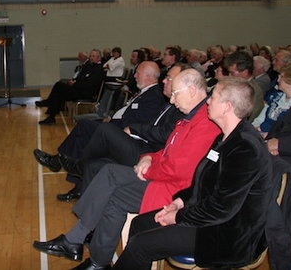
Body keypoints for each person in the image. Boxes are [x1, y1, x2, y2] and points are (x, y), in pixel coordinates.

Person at [32, 68, 221, 270]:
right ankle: (96, 260)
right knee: (114, 195)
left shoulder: (204, 123)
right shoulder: (191, 116)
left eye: (175, 94)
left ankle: (77, 242)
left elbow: (179, 169)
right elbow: (167, 150)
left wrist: (147, 168)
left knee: (111, 175)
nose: (172, 101)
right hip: (164, 178)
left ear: (192, 91)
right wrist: (147, 157)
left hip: (176, 192)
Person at [113, 77, 273, 270]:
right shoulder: (226, 137)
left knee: (141, 244)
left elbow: (222, 209)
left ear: (226, 107)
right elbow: (202, 181)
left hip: (226, 234)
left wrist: (178, 217)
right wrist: (179, 201)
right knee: (139, 224)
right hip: (207, 219)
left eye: (213, 97)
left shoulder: (245, 148)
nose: (207, 101)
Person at [33, 61, 166, 200]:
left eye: (138, 73)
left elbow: (135, 123)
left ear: (148, 76)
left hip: (124, 135)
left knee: (85, 127)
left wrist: (113, 123)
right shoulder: (145, 93)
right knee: (82, 135)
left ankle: (59, 162)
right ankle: (76, 183)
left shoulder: (154, 97)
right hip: (115, 125)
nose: (135, 75)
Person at [35, 49, 105, 125]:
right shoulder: (91, 67)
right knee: (59, 93)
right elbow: (81, 78)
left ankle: (49, 104)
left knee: (59, 85)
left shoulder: (99, 70)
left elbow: (88, 84)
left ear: (99, 58)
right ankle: (51, 117)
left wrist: (74, 84)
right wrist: (74, 81)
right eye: (91, 56)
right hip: (80, 89)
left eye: (93, 56)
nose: (91, 57)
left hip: (85, 94)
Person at [252, 62, 291, 138]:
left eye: (281, 77)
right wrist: (256, 127)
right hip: (260, 134)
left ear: (290, 81)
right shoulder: (274, 97)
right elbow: (260, 118)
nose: (278, 80)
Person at [222, 50, 265, 122]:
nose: (229, 76)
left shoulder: (254, 92)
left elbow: (249, 121)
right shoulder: (236, 85)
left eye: (232, 73)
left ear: (244, 72)